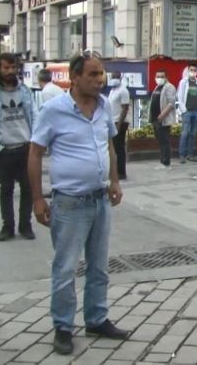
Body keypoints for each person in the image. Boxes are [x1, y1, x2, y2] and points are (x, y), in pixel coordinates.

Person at [27, 50, 129, 356]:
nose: (100, 80)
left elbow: (109, 145)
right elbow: (34, 154)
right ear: (75, 78)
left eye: (102, 74)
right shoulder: (54, 110)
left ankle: (96, 318)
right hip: (69, 203)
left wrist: (114, 181)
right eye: (93, 75)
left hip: (100, 200)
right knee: (66, 267)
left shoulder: (103, 107)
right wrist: (37, 199)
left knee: (99, 266)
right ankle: (62, 326)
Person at [0, 53, 37, 241]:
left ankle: (25, 225)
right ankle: (8, 227)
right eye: (5, 68)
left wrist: (35, 142)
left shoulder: (25, 91)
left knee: (28, 188)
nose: (9, 71)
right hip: (3, 150)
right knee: (6, 190)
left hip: (25, 147)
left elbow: (34, 115)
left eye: (12, 67)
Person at [176, 62, 197, 163]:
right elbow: (180, 97)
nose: (193, 72)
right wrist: (184, 110)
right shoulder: (183, 82)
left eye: (195, 70)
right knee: (184, 133)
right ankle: (182, 155)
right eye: (191, 70)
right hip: (186, 111)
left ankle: (190, 154)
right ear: (188, 71)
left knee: (193, 134)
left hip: (195, 111)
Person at [150, 70, 177, 170]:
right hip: (155, 119)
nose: (159, 78)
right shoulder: (157, 87)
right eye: (157, 76)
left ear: (166, 77)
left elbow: (171, 103)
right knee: (160, 141)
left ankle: (166, 163)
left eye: (161, 76)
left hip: (163, 119)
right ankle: (162, 161)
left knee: (164, 141)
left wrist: (162, 115)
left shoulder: (169, 87)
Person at [107, 71, 131, 179]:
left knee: (119, 147)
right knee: (114, 147)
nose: (114, 79)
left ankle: (121, 172)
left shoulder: (123, 91)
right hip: (112, 121)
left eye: (116, 77)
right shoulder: (112, 91)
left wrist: (119, 125)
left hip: (120, 122)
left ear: (120, 78)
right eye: (113, 77)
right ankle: (115, 170)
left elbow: (125, 108)